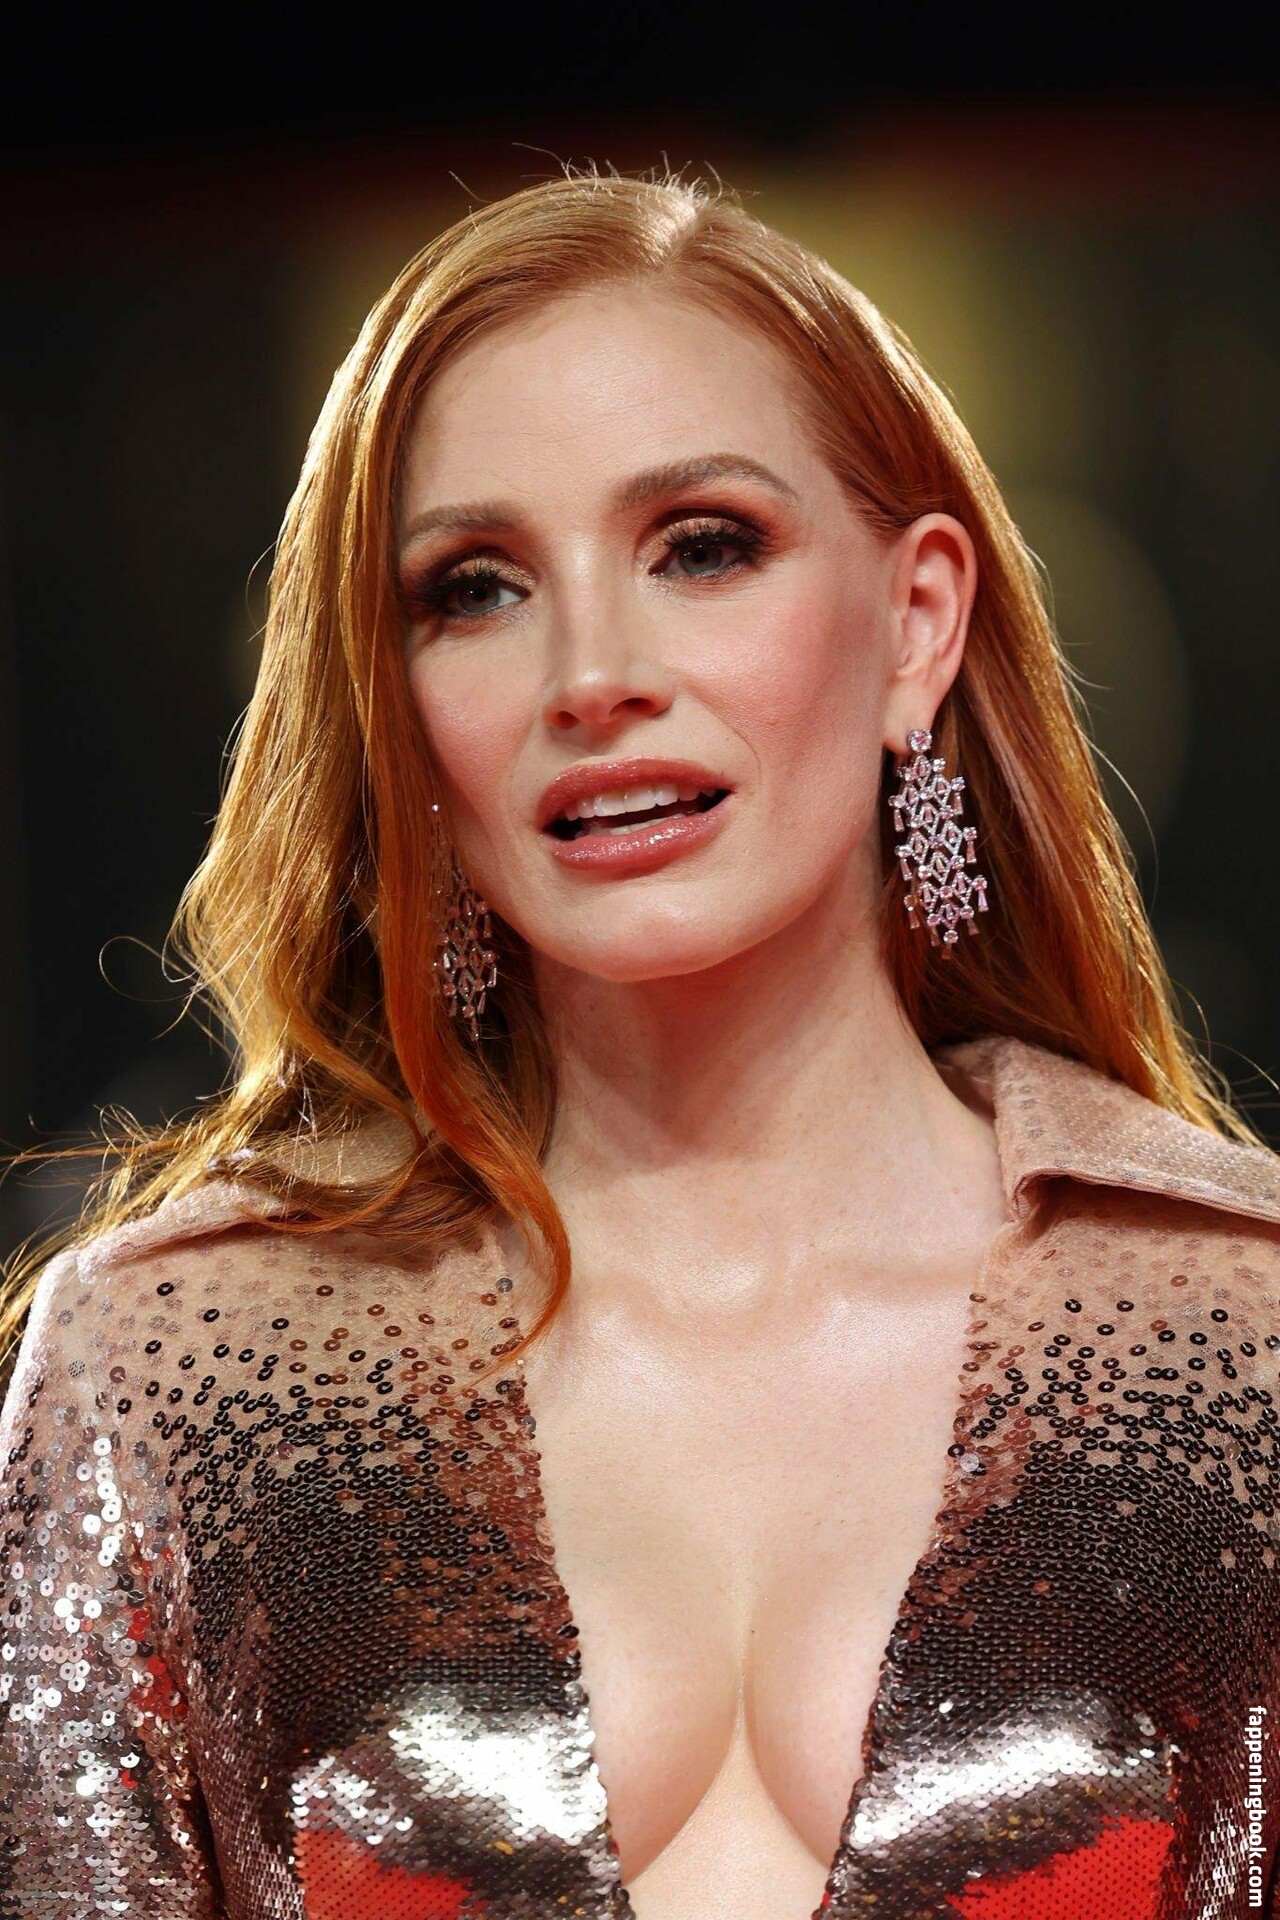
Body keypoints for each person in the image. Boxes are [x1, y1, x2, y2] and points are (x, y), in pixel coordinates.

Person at [2, 167, 1278, 1920]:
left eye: (703, 546)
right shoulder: (171, 1372)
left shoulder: (1241, 1342)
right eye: (474, 588)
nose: (592, 673)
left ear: (918, 622)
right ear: (397, 706)